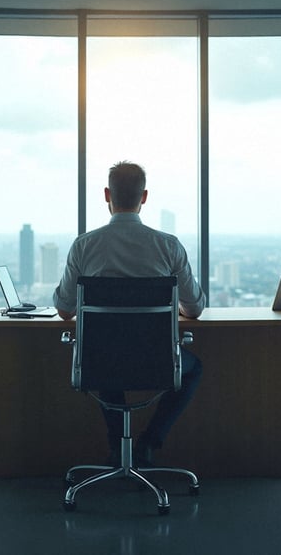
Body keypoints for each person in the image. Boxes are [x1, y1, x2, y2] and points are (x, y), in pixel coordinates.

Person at [53, 160, 206, 466]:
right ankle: (148, 443)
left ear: (107, 195)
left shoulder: (84, 246)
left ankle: (115, 449)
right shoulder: (168, 247)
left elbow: (64, 309)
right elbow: (195, 308)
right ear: (144, 197)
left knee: (106, 356)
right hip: (158, 362)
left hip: (99, 363)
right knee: (193, 368)